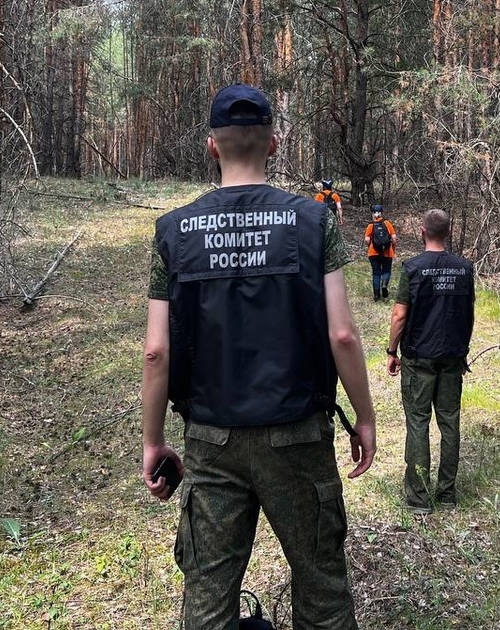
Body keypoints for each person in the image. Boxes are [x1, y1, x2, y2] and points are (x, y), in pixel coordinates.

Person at [140, 83, 377, 629]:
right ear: (273, 145)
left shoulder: (174, 233)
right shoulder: (313, 223)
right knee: (321, 587)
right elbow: (342, 334)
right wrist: (363, 417)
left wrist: (153, 441)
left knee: (208, 596)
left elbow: (157, 352)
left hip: (211, 439)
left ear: (212, 147)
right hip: (297, 432)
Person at [384, 209, 475, 515]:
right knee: (449, 422)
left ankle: (418, 499)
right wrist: (462, 351)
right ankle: (447, 494)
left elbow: (399, 314)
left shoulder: (413, 268)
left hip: (419, 356)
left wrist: (391, 351)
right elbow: (467, 313)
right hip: (451, 356)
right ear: (448, 232)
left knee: (418, 422)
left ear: (422, 231)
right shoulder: (464, 269)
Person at [363, 205, 397, 302]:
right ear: (381, 212)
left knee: (376, 273)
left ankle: (376, 295)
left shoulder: (370, 226)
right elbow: (394, 239)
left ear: (372, 213)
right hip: (387, 253)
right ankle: (384, 285)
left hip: (373, 253)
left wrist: (370, 246)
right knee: (386, 271)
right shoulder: (387, 223)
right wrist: (393, 249)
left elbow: (367, 240)